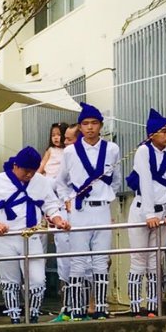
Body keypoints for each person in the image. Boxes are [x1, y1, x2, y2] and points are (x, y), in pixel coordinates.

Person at [0, 146, 70, 323]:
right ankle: (14, 316)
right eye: (26, 171)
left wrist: (58, 220)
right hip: (5, 237)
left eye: (33, 172)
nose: (29, 176)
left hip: (31, 236)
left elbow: (50, 204)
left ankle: (34, 314)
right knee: (10, 280)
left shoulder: (40, 181)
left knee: (37, 279)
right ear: (16, 165)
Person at [56, 103, 121, 319]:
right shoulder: (70, 151)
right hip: (80, 210)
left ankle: (100, 308)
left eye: (94, 123)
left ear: (101, 125)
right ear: (80, 127)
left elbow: (117, 179)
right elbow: (61, 182)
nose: (90, 127)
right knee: (78, 260)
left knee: (101, 260)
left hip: (102, 208)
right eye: (85, 124)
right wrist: (67, 200)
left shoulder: (111, 149)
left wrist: (107, 194)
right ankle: (76, 309)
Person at [126, 110, 166, 317]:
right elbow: (145, 182)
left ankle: (153, 306)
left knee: (155, 259)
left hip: (164, 210)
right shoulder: (143, 151)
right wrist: (149, 213)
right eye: (164, 131)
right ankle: (134, 307)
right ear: (152, 134)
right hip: (142, 209)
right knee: (138, 259)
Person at [51, 123, 80, 313]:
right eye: (64, 139)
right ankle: (67, 306)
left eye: (69, 139)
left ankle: (88, 305)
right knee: (64, 260)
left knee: (88, 260)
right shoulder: (63, 159)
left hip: (85, 211)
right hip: (63, 210)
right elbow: (57, 184)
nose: (64, 142)